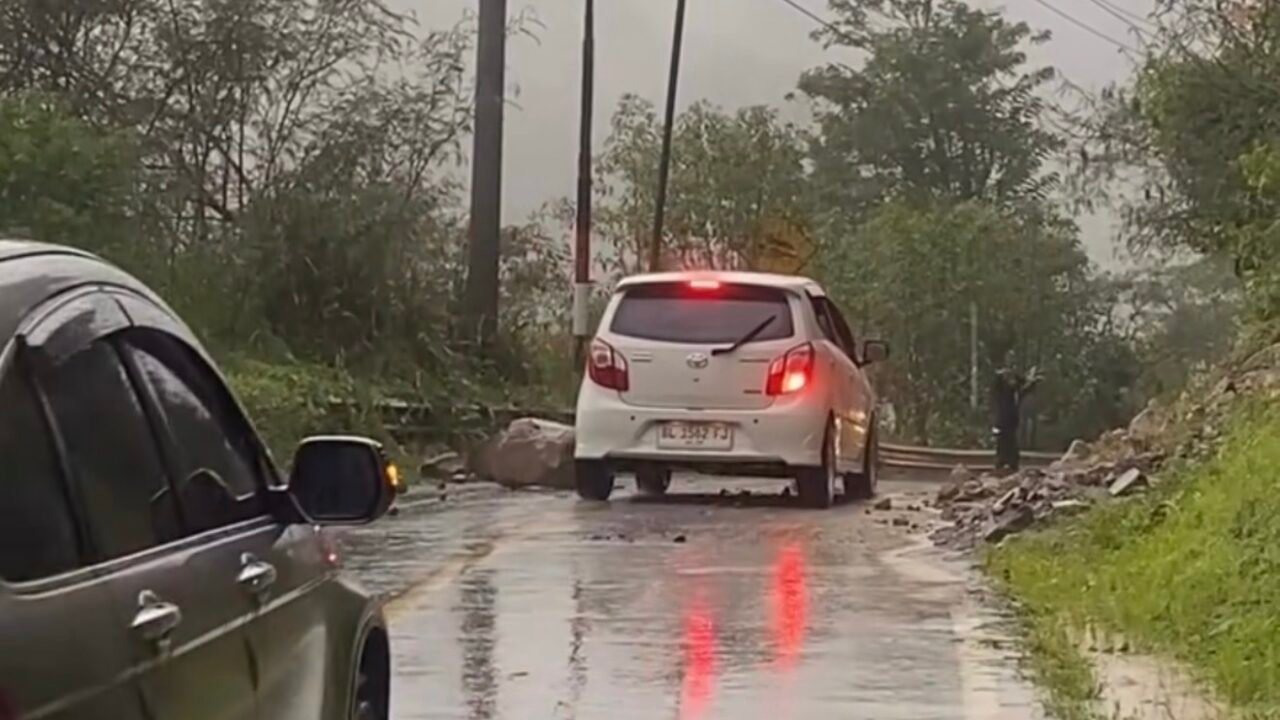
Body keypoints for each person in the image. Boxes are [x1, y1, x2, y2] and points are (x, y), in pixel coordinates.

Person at [991, 365, 1041, 471]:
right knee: (1004, 441)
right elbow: (1017, 386)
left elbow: (1022, 388)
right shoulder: (1001, 389)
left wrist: (1031, 382)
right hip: (1003, 419)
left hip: (1010, 419)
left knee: (1010, 441)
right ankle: (1003, 461)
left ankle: (1009, 462)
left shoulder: (1013, 391)